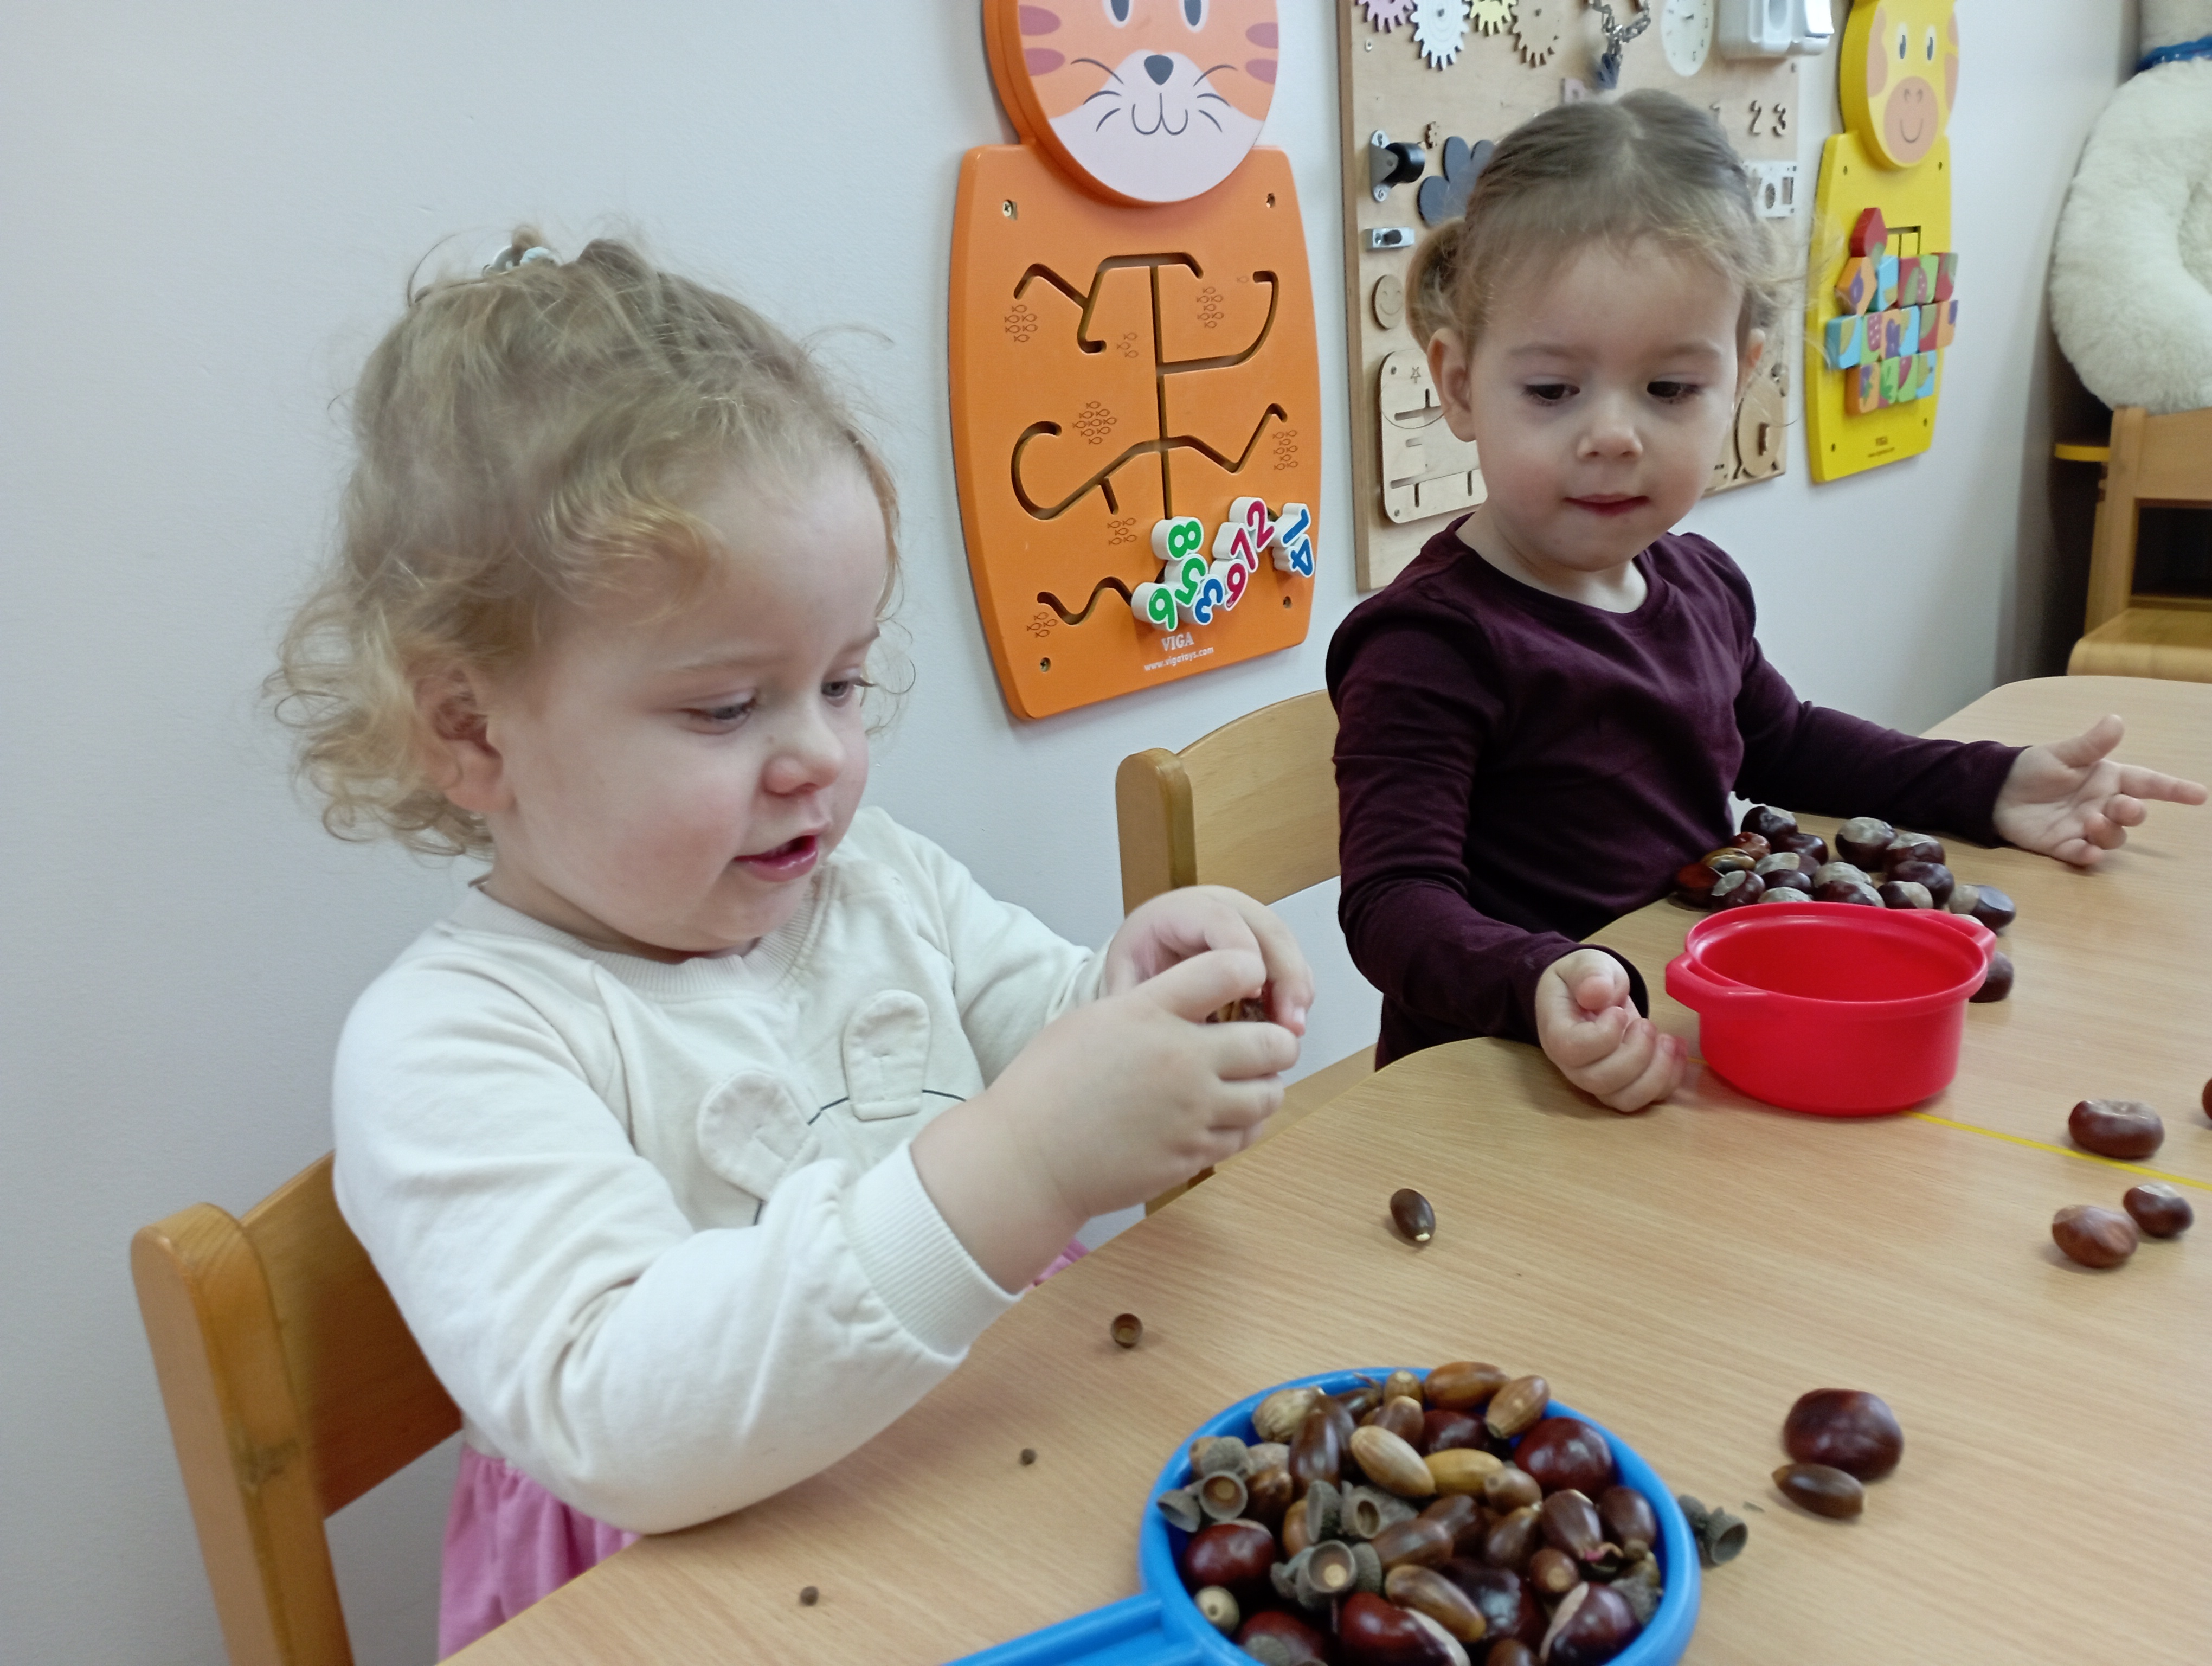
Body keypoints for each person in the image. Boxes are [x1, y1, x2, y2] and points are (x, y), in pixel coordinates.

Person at [273, 230, 1311, 1655]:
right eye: (726, 708)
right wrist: (1025, 1165)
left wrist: (1142, 993)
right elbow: (616, 1409)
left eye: (843, 681)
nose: (820, 755)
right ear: (472, 731)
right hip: (708, 1599)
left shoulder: (875, 880)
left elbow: (1049, 1032)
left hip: (1000, 1468)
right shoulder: (453, 1042)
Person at [1327, 93, 2205, 1114]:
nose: (1614, 436)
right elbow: (1393, 904)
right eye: (1554, 391)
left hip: (1692, 1042)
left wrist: (1991, 784)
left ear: (1740, 378)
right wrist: (1539, 979)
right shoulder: (1429, 644)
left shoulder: (1697, 581)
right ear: (1459, 384)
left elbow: (1785, 742)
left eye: (1670, 390)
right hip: (1501, 1086)